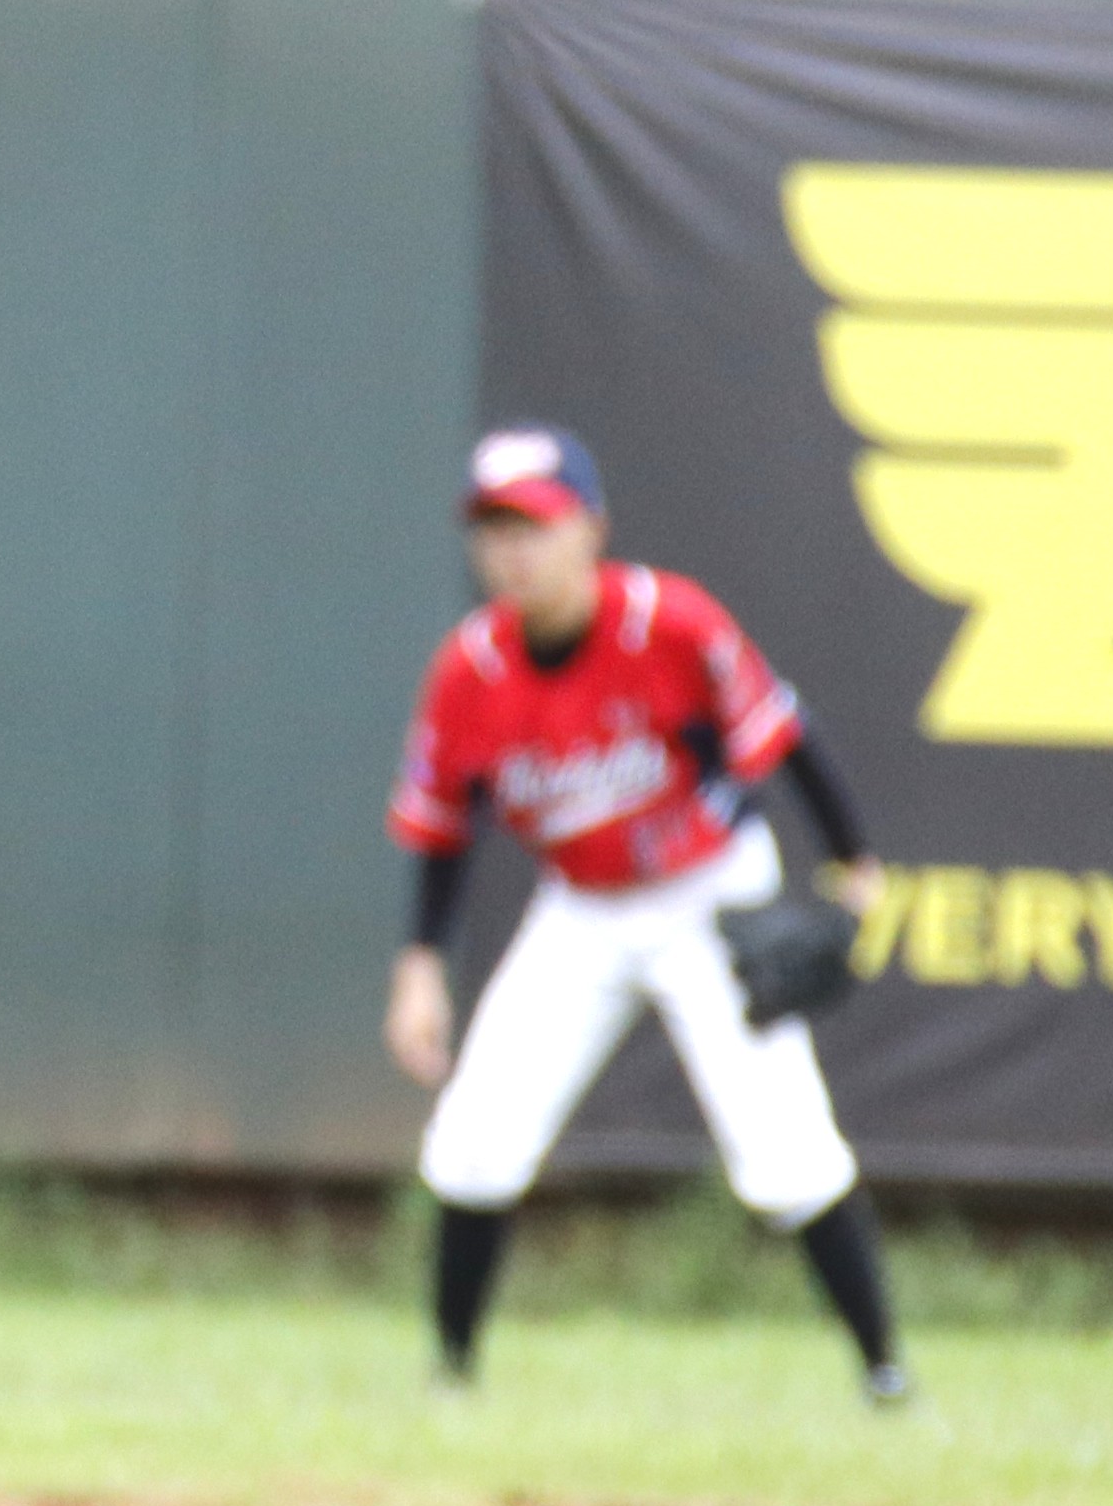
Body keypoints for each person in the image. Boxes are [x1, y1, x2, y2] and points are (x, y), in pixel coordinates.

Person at [383, 422, 909, 1400]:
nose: (513, 549)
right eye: (494, 528)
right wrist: (420, 966)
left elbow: (785, 734)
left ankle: (886, 1373)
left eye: (535, 524)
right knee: (474, 1141)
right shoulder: (469, 670)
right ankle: (450, 1380)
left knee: (785, 1151)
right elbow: (441, 827)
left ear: (591, 527)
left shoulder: (671, 624)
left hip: (709, 893)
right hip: (582, 909)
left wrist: (856, 867)